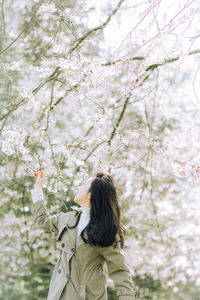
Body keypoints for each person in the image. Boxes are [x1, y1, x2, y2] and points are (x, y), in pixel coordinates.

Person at [30, 169, 136, 300]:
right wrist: (38, 187)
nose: (79, 187)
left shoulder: (106, 232)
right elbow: (43, 221)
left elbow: (120, 272)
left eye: (84, 184)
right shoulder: (67, 219)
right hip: (58, 295)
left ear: (92, 194)